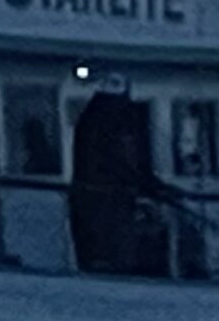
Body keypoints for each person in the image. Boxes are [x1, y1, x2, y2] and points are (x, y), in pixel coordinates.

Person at [69, 76, 163, 275]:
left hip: (104, 207)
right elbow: (116, 165)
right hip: (103, 208)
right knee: (109, 260)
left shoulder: (92, 120)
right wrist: (149, 185)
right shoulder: (102, 125)